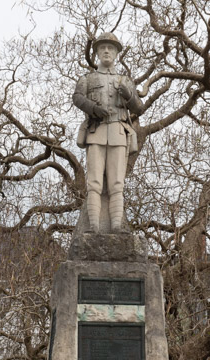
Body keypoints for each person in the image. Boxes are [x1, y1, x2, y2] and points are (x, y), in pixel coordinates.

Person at [73, 32, 143, 232]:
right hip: (96, 131)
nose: (106, 51)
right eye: (102, 48)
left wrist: (129, 96)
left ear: (116, 53)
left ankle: (117, 227)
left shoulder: (125, 80)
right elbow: (77, 97)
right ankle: (93, 226)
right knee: (94, 182)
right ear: (96, 53)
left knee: (117, 183)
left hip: (118, 133)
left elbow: (139, 108)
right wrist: (94, 109)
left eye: (110, 48)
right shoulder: (88, 78)